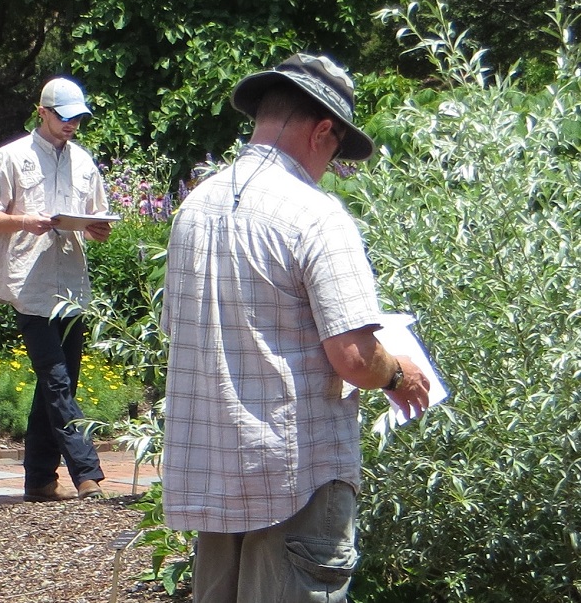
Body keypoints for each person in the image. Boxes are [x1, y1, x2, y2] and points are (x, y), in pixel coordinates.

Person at [160, 53, 432, 602]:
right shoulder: (316, 214)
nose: (331, 165)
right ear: (323, 130)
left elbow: (181, 329)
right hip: (297, 473)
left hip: (214, 475)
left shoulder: (195, 207)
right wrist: (398, 373)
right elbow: (354, 357)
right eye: (335, 150)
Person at [0, 76, 112, 502]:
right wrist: (23, 222)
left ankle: (38, 479)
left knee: (58, 382)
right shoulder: (10, 157)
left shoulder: (84, 162)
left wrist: (97, 228)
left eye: (79, 118)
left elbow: (99, 225)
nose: (73, 125)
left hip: (71, 284)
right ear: (43, 112)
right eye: (65, 117)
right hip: (28, 286)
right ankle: (86, 473)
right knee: (55, 380)